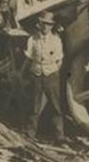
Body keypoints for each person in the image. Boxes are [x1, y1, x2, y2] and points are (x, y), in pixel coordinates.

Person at [24, 11, 65, 143]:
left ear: (52, 26)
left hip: (51, 75)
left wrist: (51, 72)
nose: (46, 27)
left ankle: (59, 136)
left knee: (55, 106)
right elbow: (29, 58)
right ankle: (30, 134)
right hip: (37, 74)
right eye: (44, 23)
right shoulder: (32, 40)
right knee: (34, 107)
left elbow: (59, 60)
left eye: (49, 24)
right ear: (39, 24)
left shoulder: (56, 41)